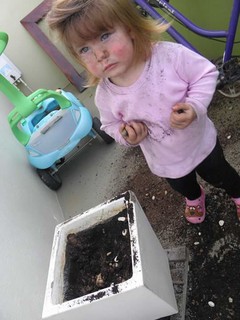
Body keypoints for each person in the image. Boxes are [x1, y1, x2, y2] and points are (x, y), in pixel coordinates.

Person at [46, 0, 240, 224]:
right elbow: (109, 126)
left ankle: (236, 193)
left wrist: (195, 105)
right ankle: (195, 197)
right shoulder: (106, 95)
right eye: (85, 49)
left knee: (220, 174)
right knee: (182, 184)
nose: (99, 54)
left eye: (104, 36)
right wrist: (127, 135)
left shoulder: (168, 57)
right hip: (165, 160)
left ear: (130, 28)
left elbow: (205, 74)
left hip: (201, 144)